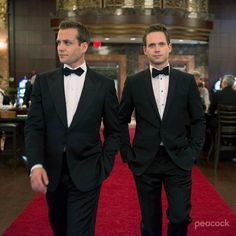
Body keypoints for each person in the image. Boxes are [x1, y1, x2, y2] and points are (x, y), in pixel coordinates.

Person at [24, 20, 120, 236]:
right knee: (60, 229)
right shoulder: (43, 82)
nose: (60, 47)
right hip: (53, 173)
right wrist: (36, 164)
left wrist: (104, 166)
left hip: (88, 172)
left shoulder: (104, 86)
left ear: (83, 46)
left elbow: (115, 131)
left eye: (67, 42)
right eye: (58, 42)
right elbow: (34, 127)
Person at [119, 24, 205, 236]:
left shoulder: (186, 82)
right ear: (145, 50)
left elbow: (198, 119)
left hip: (178, 158)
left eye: (161, 44)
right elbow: (119, 120)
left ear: (169, 47)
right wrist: (127, 153)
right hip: (145, 160)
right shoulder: (133, 82)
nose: (156, 49)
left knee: (180, 217)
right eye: (151, 45)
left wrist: (193, 151)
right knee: (150, 223)